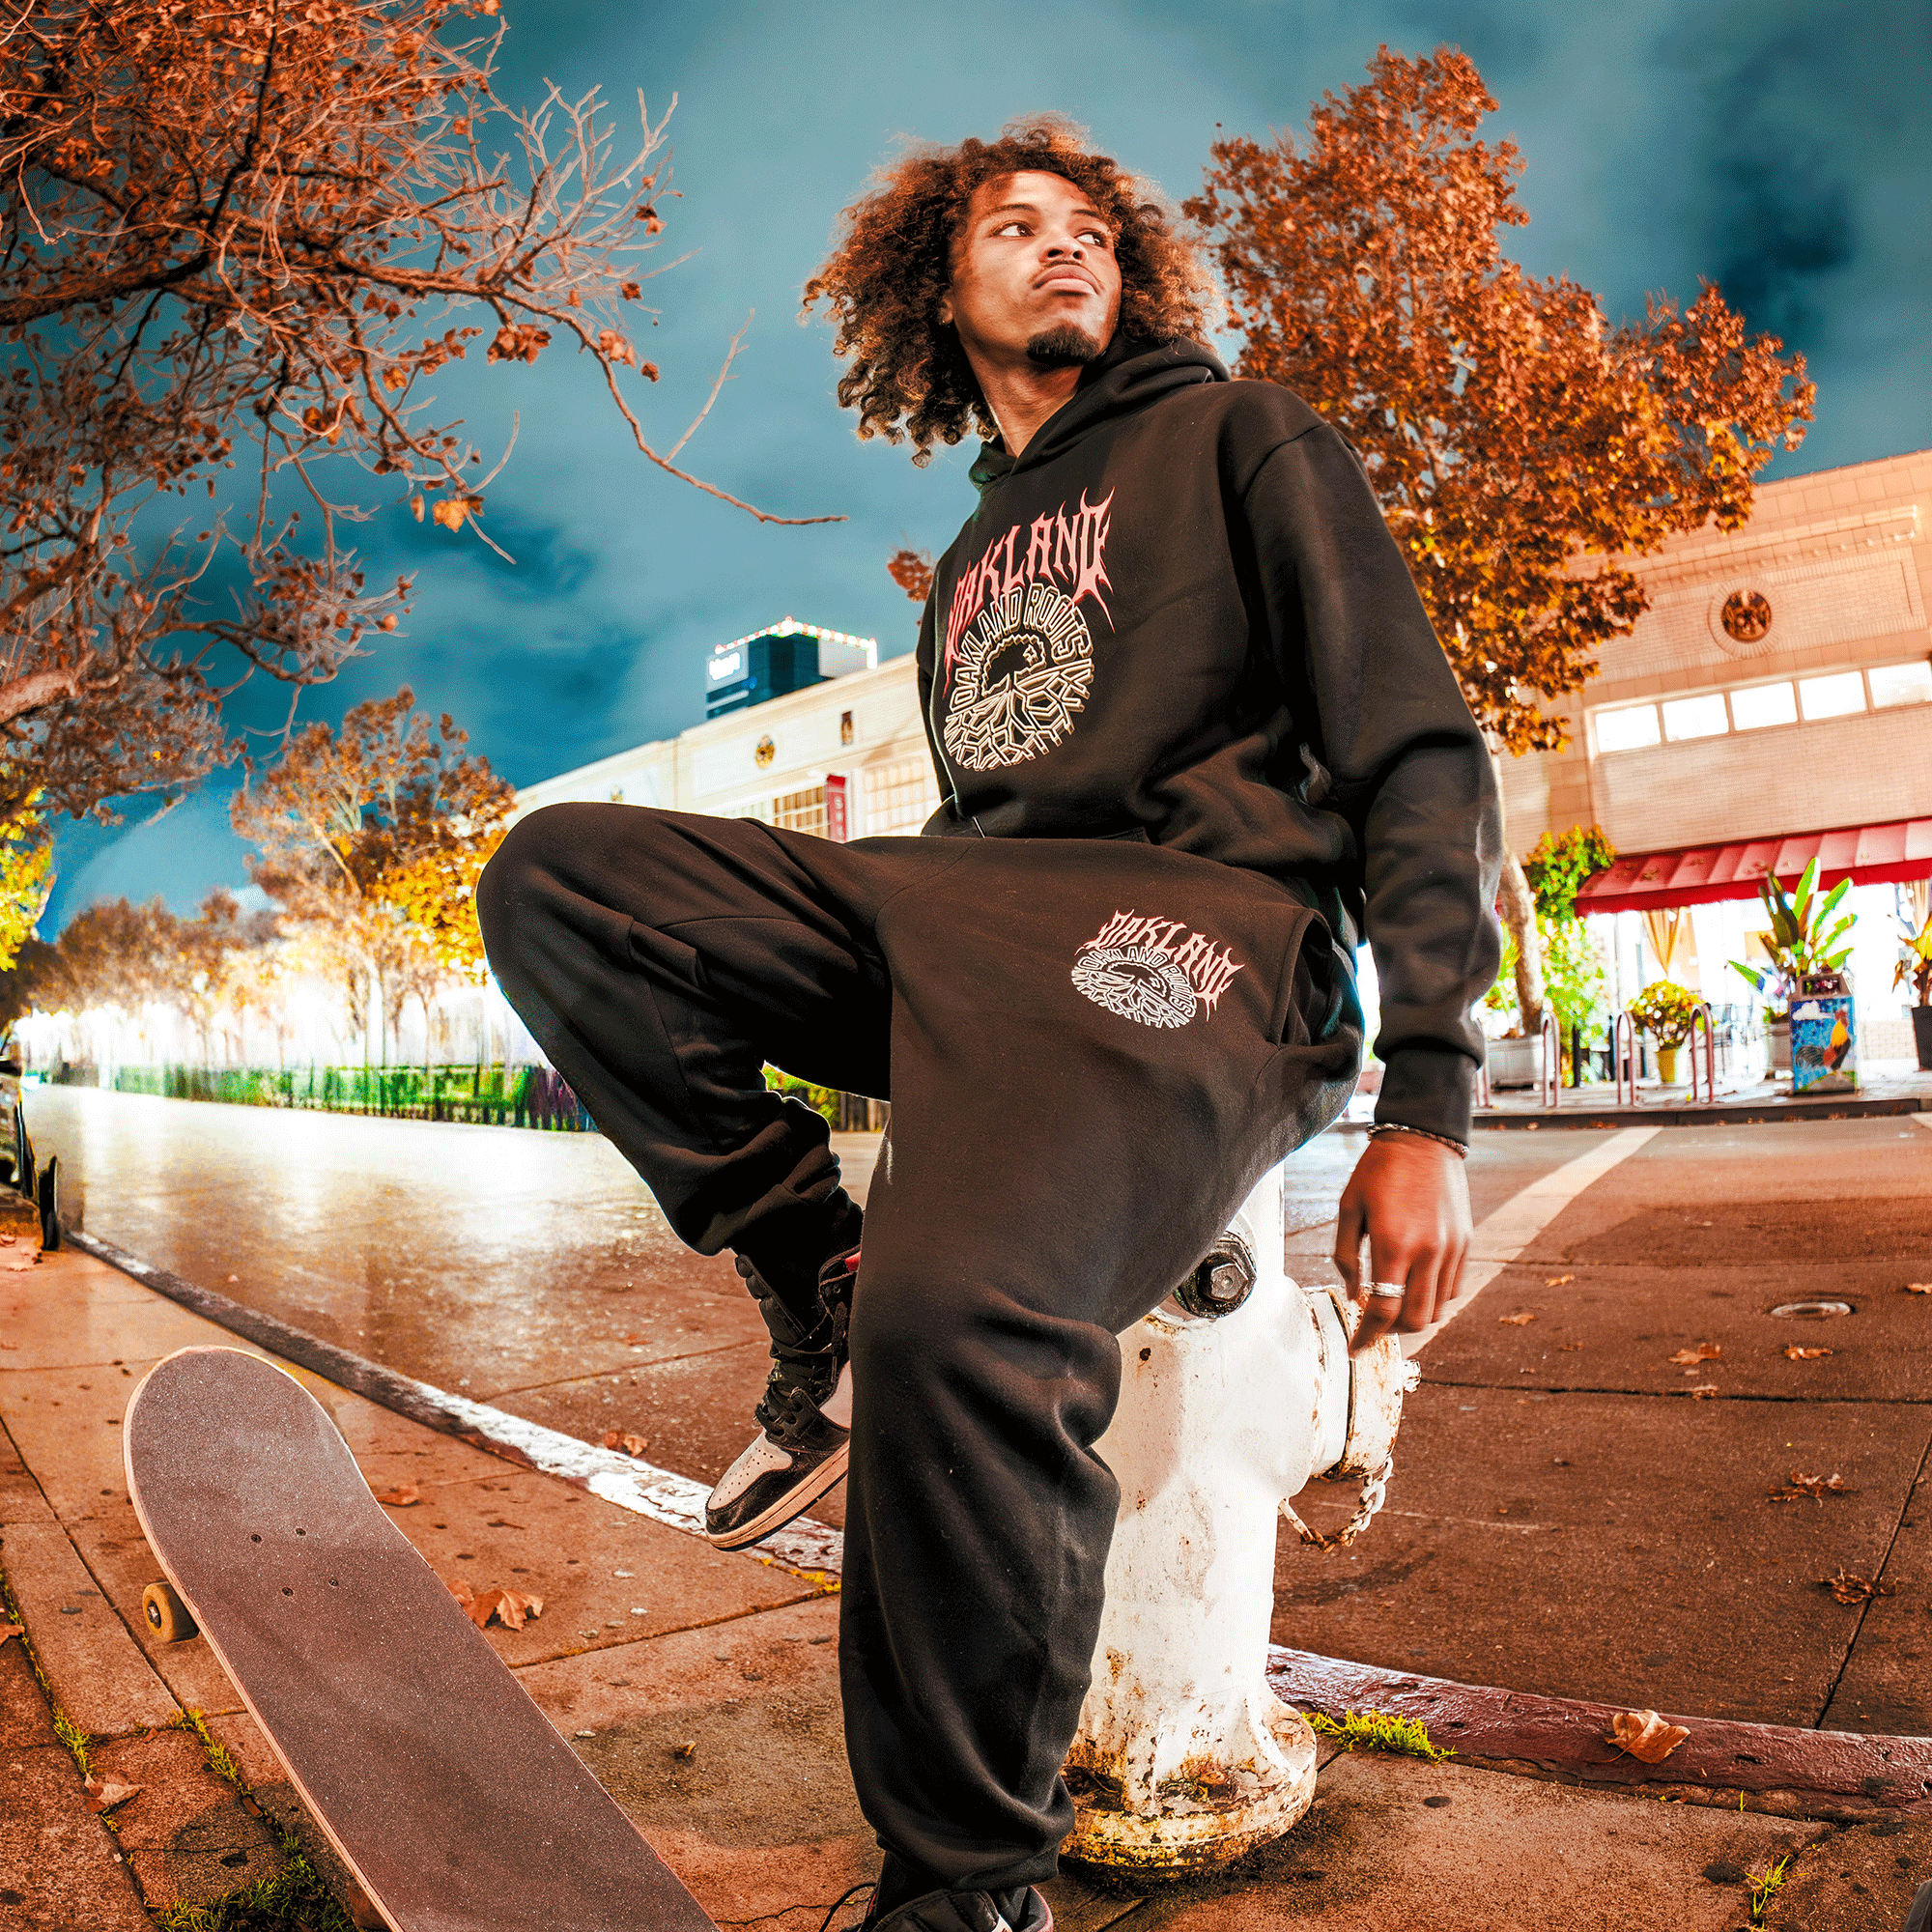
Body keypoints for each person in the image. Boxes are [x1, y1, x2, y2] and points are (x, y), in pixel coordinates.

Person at [478, 116, 1499, 1932]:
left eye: (1092, 226)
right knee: (563, 878)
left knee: (974, 1323)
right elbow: (983, 819)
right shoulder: (963, 578)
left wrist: (1430, 1099)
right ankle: (819, 1278)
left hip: (1207, 937)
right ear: (935, 291)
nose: (1067, 246)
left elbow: (1413, 750)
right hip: (971, 916)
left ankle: (965, 1894)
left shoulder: (1242, 437)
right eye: (1017, 227)